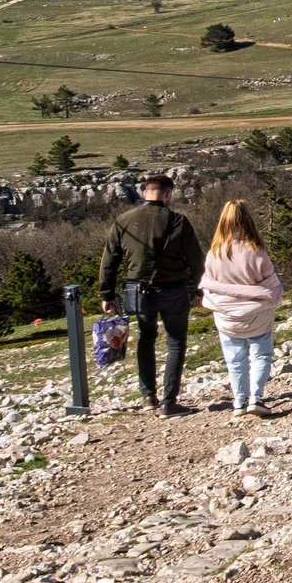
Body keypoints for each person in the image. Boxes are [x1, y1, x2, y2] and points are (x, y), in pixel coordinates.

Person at [99, 172, 206, 415]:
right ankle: (169, 402)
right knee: (176, 342)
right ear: (168, 194)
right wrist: (198, 289)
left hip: (137, 291)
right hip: (174, 290)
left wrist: (107, 294)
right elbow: (195, 260)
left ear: (145, 192)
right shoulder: (178, 221)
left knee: (146, 339)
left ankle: (148, 397)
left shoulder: (123, 220)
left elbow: (109, 261)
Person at [198, 201, 283, 415]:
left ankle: (238, 401)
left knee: (234, 359)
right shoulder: (257, 252)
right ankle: (256, 397)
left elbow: (210, 285)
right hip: (257, 315)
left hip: (226, 316)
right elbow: (270, 284)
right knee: (261, 355)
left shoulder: (214, 254)